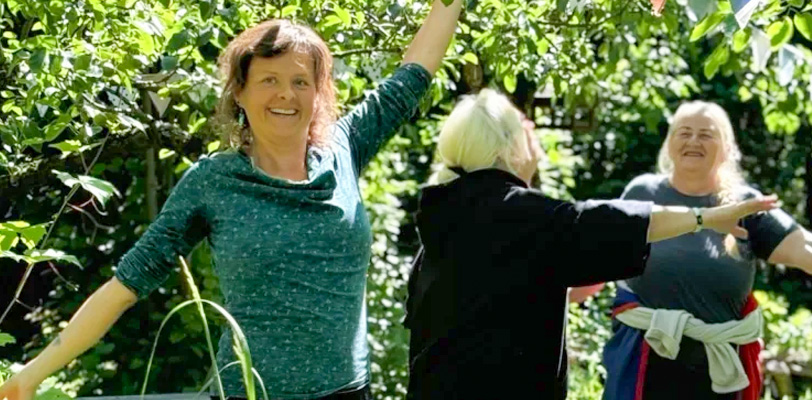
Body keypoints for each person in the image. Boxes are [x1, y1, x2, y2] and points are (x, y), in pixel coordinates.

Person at [0, 2, 463, 399]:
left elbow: (415, 72)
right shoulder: (213, 182)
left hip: (348, 393)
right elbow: (126, 286)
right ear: (239, 91)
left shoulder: (345, 148)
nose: (286, 94)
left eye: (301, 82)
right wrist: (31, 375)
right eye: (269, 80)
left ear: (318, 93)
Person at [402, 90, 779, 400]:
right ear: (508, 148)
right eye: (524, 129)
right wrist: (706, 217)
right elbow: (615, 223)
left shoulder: (440, 215)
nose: (533, 135)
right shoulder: (526, 217)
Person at [602, 100, 812, 400]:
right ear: (669, 142)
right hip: (645, 368)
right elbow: (600, 253)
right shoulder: (641, 193)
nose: (693, 141)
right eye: (684, 132)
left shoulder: (746, 205)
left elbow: (805, 247)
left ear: (726, 147)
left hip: (719, 378)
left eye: (706, 134)